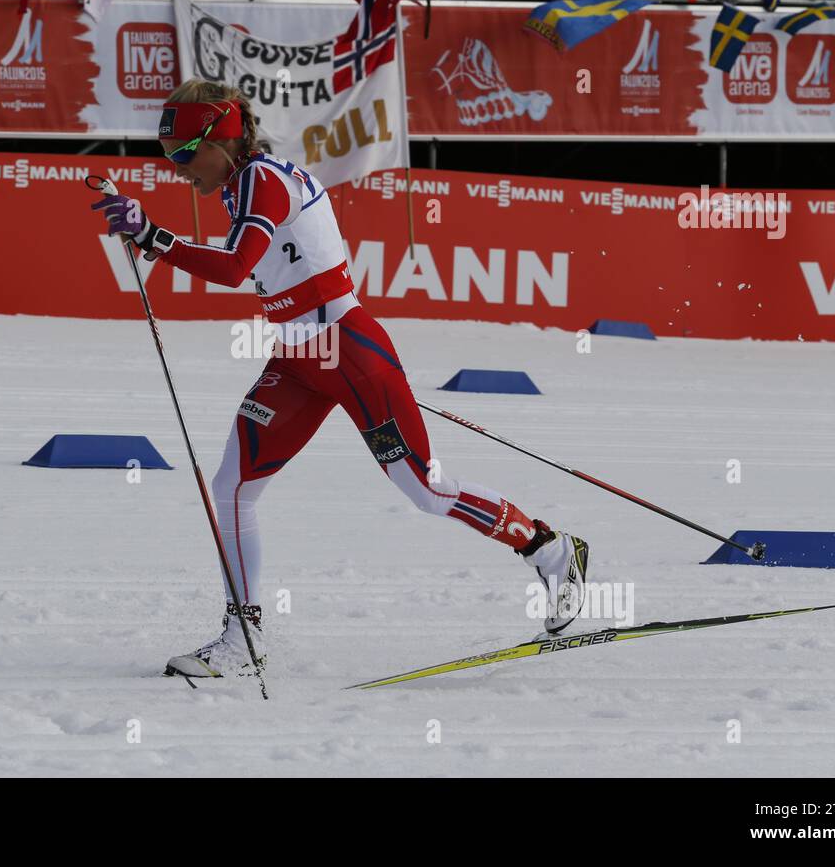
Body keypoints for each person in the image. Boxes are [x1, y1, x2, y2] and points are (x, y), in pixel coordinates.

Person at [90, 79, 591, 679]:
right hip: (299, 361)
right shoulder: (242, 183)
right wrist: (154, 236)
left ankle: (553, 550)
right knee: (232, 487)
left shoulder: (263, 182)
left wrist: (152, 237)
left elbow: (235, 269)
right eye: (166, 155)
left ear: (220, 140)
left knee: (426, 492)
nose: (176, 169)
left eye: (182, 154)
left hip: (348, 353)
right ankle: (242, 639)